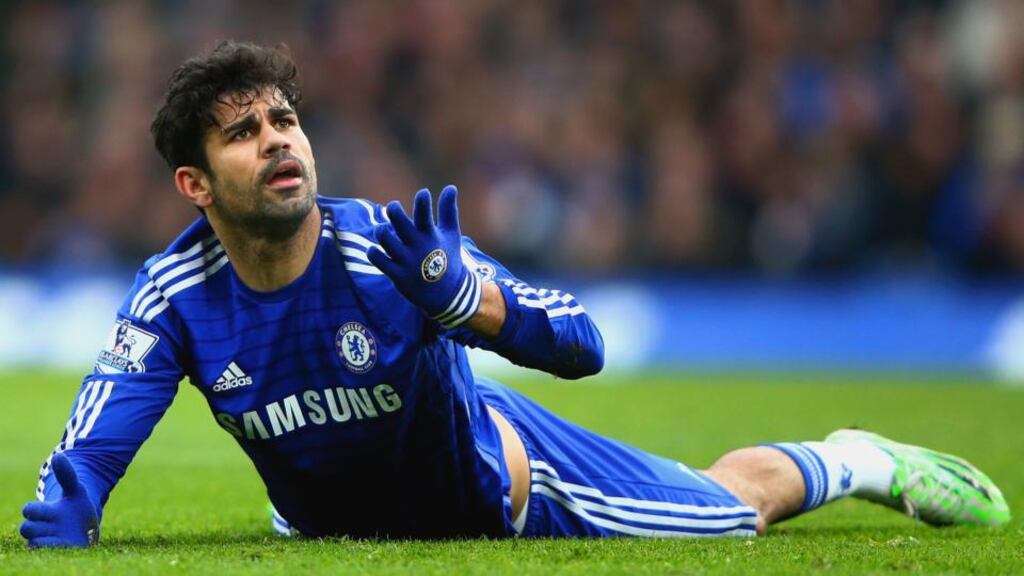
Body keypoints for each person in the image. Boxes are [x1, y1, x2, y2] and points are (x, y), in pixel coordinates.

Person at [19, 41, 1009, 548]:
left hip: (502, 490)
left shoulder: (388, 253)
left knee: (726, 513)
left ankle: (854, 459)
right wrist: (70, 504)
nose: (279, 138)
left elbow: (582, 344)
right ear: (194, 185)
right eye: (243, 133)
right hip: (334, 523)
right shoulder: (174, 295)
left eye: (285, 119)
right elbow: (94, 446)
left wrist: (465, 304)